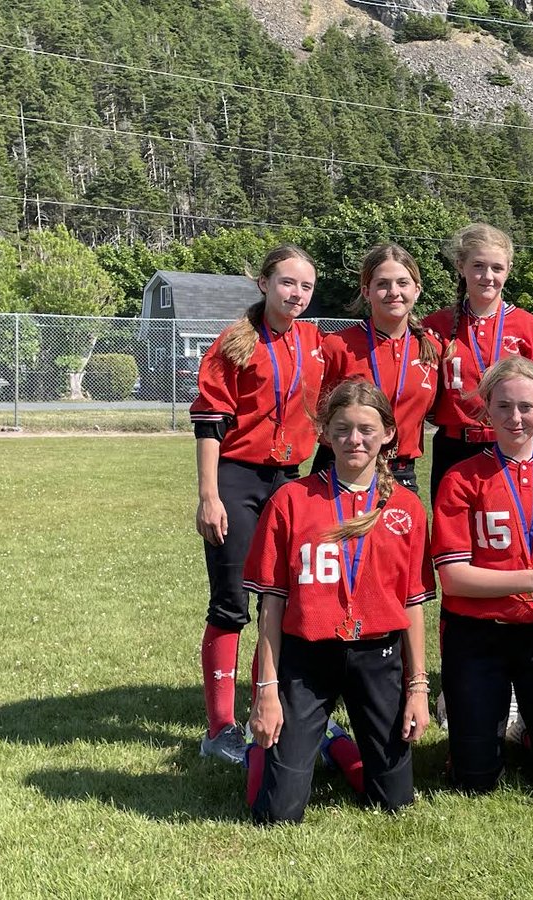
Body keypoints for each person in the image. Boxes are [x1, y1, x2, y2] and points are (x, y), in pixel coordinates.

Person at [242, 381, 433, 823]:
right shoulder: (291, 500)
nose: (355, 440)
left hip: (377, 656)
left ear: (388, 433)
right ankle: (271, 750)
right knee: (277, 813)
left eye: (367, 429)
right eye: (342, 429)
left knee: (394, 803)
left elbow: (412, 603)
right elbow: (270, 607)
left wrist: (417, 688)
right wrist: (266, 692)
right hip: (306, 660)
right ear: (324, 433)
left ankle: (334, 744)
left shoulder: (405, 507)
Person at [431, 356, 533, 793]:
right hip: (477, 633)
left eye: (526, 406)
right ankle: (480, 726)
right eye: (503, 406)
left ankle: (526, 728)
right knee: (474, 780)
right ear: (486, 408)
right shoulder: (462, 477)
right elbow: (455, 579)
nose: (515, 417)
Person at [191, 245, 325, 765]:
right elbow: (209, 423)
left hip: (289, 482)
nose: (296, 294)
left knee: (287, 598)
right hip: (238, 478)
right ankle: (219, 728)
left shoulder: (317, 342)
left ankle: (272, 705)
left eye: (306, 287)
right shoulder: (236, 341)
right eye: (287, 283)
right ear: (264, 283)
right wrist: (209, 496)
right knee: (231, 602)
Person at [424, 223, 533, 502]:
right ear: (461, 266)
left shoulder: (528, 326)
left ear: (508, 269)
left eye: (497, 268)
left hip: (513, 445)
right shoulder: (436, 325)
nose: (488, 276)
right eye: (478, 266)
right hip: (454, 449)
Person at [315, 243, 441, 492]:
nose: (393, 292)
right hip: (343, 466)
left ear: (417, 290)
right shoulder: (338, 346)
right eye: (382, 284)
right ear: (366, 291)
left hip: (402, 471)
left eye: (402, 283)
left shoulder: (432, 348)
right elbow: (317, 414)